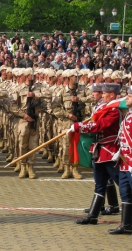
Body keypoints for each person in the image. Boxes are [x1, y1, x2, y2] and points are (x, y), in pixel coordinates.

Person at [68, 83, 121, 225]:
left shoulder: (114, 110)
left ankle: (122, 214)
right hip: (101, 151)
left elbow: (101, 125)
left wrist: (79, 126)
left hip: (110, 151)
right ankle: (93, 216)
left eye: (104, 93)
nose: (101, 95)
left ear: (112, 94)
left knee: (122, 183)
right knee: (100, 184)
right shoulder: (104, 108)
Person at [108, 87, 132, 234]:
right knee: (125, 192)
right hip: (124, 161)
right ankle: (127, 224)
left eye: (130, 95)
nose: (127, 97)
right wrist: (119, 152)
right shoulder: (128, 116)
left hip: (131, 162)